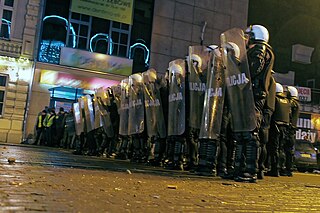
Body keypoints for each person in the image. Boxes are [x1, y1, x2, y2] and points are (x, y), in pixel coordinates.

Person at [266, 83, 290, 177]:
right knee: (281, 149)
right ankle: (280, 168)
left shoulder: (275, 99)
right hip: (285, 127)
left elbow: (271, 110)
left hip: (275, 126)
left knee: (274, 149)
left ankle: (274, 169)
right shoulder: (287, 101)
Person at [280, 86, 300, 176]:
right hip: (293, 129)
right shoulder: (297, 103)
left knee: (285, 149)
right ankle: (289, 169)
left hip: (289, 129)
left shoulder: (291, 103)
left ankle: (285, 168)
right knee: (289, 150)